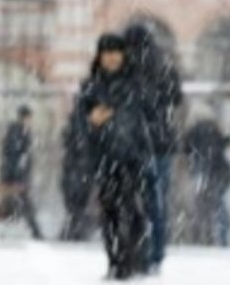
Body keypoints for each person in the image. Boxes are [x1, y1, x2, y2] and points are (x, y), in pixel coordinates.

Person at [81, 33, 149, 280]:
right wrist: (92, 120)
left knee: (131, 210)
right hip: (103, 157)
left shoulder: (134, 82)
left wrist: (109, 114)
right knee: (108, 212)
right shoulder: (91, 85)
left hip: (131, 158)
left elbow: (137, 114)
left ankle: (132, 260)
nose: (111, 57)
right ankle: (114, 260)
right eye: (106, 52)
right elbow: (83, 118)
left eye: (115, 52)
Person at [122, 23, 182, 274]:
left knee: (132, 200)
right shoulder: (164, 66)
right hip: (161, 144)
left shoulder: (128, 69)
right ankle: (156, 253)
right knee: (158, 202)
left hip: (136, 144)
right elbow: (176, 98)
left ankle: (137, 251)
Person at [0, 104, 43, 239]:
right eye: (30, 118)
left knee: (7, 205)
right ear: (25, 118)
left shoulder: (18, 131)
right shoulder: (19, 133)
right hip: (14, 178)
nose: (31, 121)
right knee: (20, 205)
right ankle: (36, 233)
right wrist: (17, 180)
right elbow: (15, 158)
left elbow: (13, 157)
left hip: (12, 177)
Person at [182, 118, 230, 246]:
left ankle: (200, 235)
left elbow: (185, 148)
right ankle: (220, 234)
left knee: (201, 204)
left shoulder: (193, 131)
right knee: (217, 203)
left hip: (203, 171)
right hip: (218, 171)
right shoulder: (214, 128)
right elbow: (223, 144)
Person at [59, 106, 95, 241]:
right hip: (82, 171)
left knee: (74, 206)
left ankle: (73, 232)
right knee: (79, 205)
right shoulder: (86, 128)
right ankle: (76, 232)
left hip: (75, 171)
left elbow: (68, 143)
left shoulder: (72, 129)